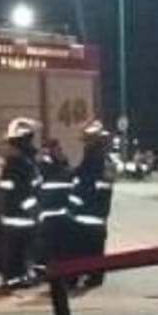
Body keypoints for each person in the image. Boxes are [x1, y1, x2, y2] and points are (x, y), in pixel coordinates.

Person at [0, 118, 42, 288]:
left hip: (13, 214)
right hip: (19, 215)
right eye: (30, 139)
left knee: (19, 249)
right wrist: (35, 211)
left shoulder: (15, 160)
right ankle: (14, 279)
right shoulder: (17, 162)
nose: (32, 143)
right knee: (17, 249)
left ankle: (19, 277)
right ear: (22, 141)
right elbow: (22, 192)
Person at [70, 120, 114, 287]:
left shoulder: (94, 161)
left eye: (88, 140)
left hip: (89, 212)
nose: (85, 144)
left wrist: (75, 203)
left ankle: (86, 275)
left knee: (84, 246)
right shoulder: (102, 160)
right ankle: (94, 276)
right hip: (98, 213)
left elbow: (85, 184)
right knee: (94, 247)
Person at [36, 137, 80, 274]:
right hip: (59, 217)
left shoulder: (40, 169)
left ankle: (50, 271)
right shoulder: (63, 170)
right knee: (56, 248)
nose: (59, 151)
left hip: (50, 218)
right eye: (57, 149)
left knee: (49, 248)